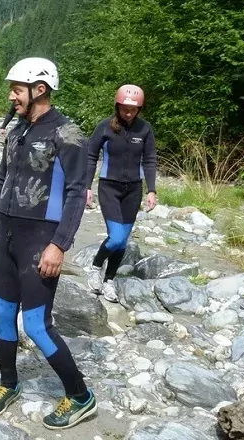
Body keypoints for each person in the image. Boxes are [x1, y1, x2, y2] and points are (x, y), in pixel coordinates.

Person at [0, 58, 96, 430]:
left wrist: (60, 245)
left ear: (40, 89)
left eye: (16, 89)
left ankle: (81, 396)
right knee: (2, 316)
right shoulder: (17, 130)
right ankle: (8, 383)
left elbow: (76, 192)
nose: (11, 95)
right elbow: (1, 180)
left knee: (35, 325)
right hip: (6, 236)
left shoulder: (67, 134)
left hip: (40, 241)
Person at [85, 84, 158, 302]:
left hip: (133, 189)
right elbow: (90, 156)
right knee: (116, 238)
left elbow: (150, 159)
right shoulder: (105, 127)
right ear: (117, 106)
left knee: (123, 242)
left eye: (133, 109)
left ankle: (109, 281)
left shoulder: (144, 129)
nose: (128, 113)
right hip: (109, 187)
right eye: (124, 108)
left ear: (139, 110)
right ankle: (95, 266)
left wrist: (151, 190)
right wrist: (86, 187)